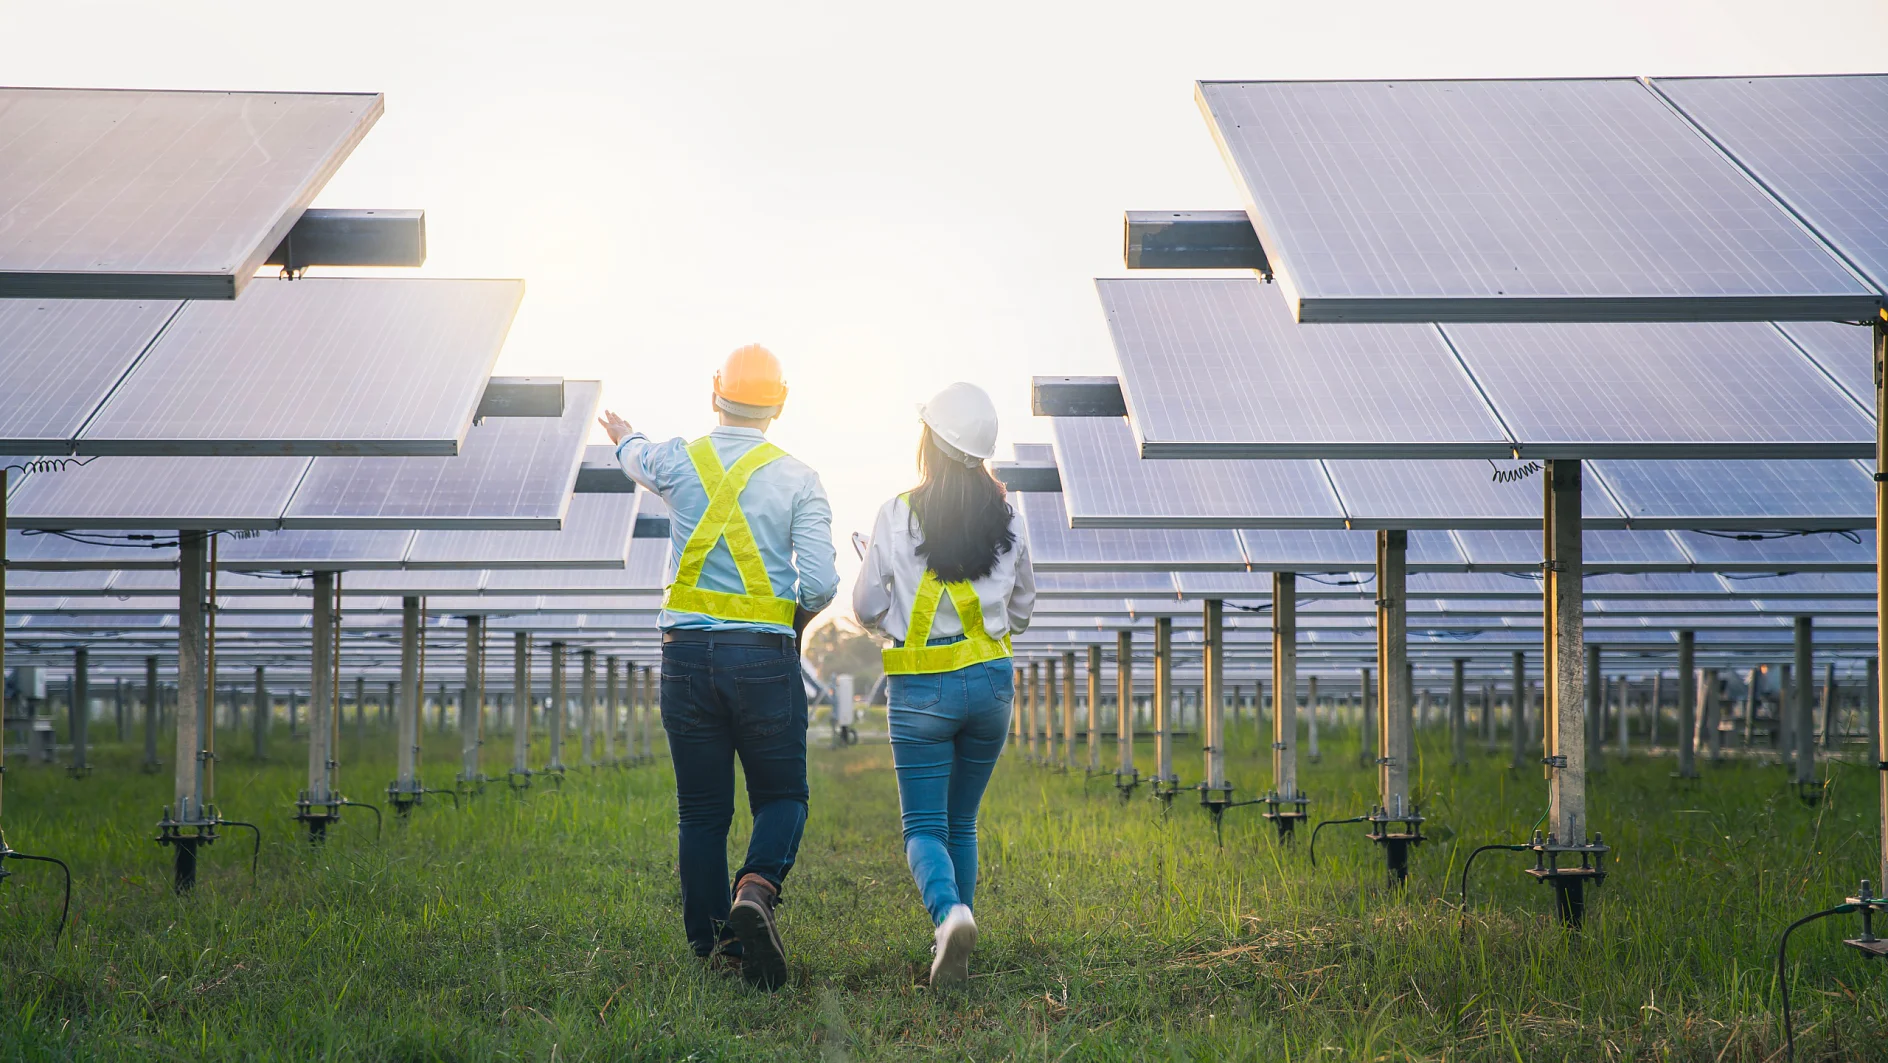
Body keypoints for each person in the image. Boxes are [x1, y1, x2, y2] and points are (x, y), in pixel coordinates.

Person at [599, 344, 838, 990]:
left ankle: (713, 945)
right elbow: (819, 583)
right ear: (779, 404)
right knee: (783, 795)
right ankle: (755, 890)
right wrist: (782, 624)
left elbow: (636, 458)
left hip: (684, 658)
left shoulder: (679, 459)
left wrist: (626, 437)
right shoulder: (800, 478)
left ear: (715, 394)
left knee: (702, 812)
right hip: (762, 657)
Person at [853, 382, 1034, 989]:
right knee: (964, 822)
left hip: (923, 691)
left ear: (929, 441)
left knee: (923, 828)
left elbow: (864, 604)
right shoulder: (1009, 514)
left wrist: (892, 617)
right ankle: (962, 937)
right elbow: (1024, 608)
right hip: (992, 687)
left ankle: (950, 916)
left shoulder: (896, 512)